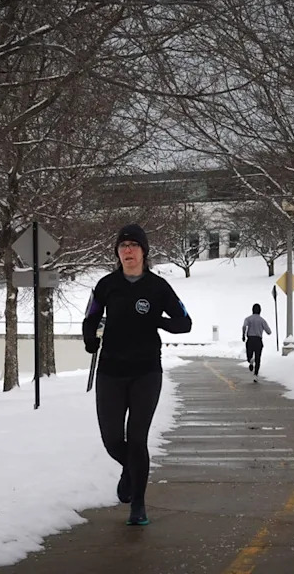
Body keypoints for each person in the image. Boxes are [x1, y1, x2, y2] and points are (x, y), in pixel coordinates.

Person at [82, 224, 192, 526]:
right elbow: (90, 317)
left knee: (138, 438)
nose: (127, 251)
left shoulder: (158, 288)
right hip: (110, 371)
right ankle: (130, 470)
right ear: (117, 252)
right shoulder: (106, 285)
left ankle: (139, 506)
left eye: (133, 245)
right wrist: (89, 339)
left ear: (144, 251)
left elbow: (185, 323)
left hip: (146, 371)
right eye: (122, 246)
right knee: (112, 439)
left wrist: (157, 319)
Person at [242, 303, 271, 383]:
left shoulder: (248, 319)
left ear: (252, 310)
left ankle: (251, 360)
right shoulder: (262, 320)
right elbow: (269, 332)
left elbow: (244, 326)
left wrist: (243, 335)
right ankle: (256, 375)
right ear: (260, 311)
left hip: (250, 339)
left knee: (249, 355)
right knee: (258, 358)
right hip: (258, 340)